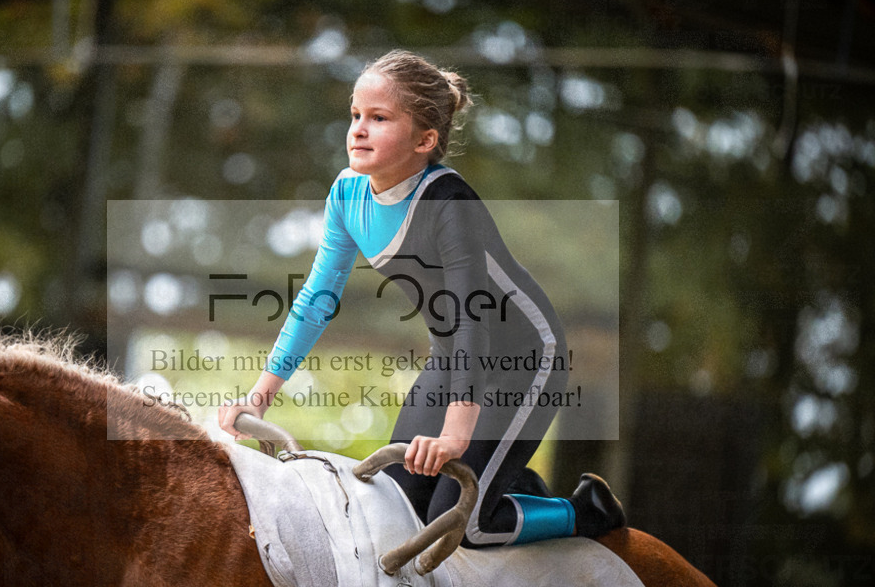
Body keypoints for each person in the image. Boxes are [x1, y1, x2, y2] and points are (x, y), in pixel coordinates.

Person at [219, 50, 625, 547]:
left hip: (525, 359)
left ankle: (584, 510)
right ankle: (514, 481)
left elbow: (473, 315)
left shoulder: (449, 203)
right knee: (397, 502)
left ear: (425, 140)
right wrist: (260, 397)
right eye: (356, 116)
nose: (358, 130)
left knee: (463, 525)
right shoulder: (347, 196)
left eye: (379, 118)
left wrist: (457, 431)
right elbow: (317, 297)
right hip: (454, 358)